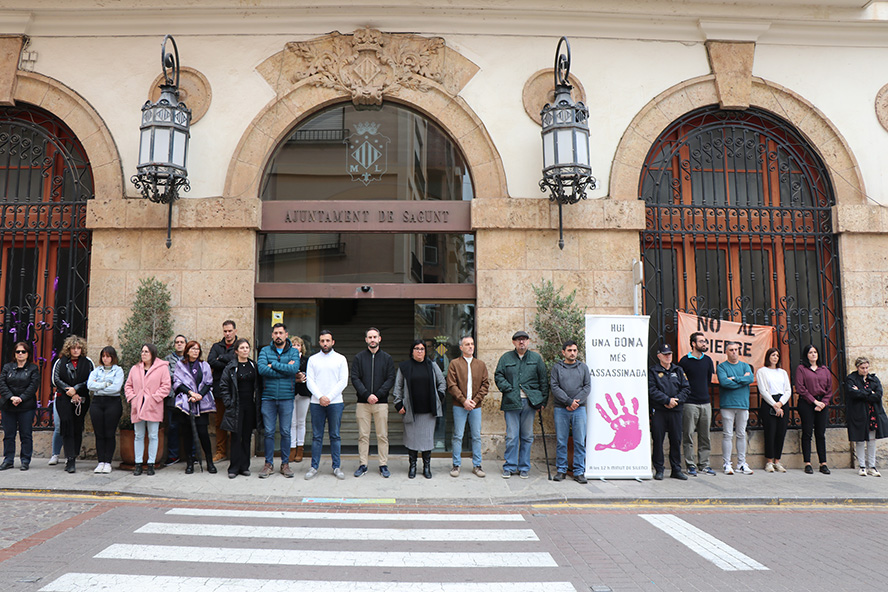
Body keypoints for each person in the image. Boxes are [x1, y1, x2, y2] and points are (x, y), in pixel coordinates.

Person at [495, 330, 547, 479]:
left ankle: (524, 467)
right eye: (518, 340)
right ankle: (510, 466)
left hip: (530, 403)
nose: (521, 342)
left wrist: (542, 401)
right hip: (511, 402)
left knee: (527, 436)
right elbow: (498, 375)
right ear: (514, 342)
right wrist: (508, 389)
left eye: (524, 339)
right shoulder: (506, 358)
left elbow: (543, 380)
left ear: (528, 342)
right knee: (511, 436)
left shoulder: (536, 359)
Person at [393, 339, 445, 479]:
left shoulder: (432, 365)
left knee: (427, 440)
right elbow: (398, 387)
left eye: (422, 349)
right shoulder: (404, 367)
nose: (420, 351)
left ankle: (426, 467)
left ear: (425, 351)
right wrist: (398, 404)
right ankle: (413, 466)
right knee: (412, 440)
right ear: (412, 351)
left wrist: (438, 398)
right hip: (411, 410)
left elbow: (442, 383)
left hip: (428, 411)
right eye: (417, 348)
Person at [350, 327, 396, 478]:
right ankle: (363, 464)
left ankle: (383, 464)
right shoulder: (359, 358)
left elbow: (390, 379)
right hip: (363, 403)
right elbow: (355, 378)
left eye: (375, 337)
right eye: (370, 337)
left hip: (381, 403)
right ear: (366, 340)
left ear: (379, 339)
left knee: (382, 435)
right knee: (363, 435)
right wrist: (366, 394)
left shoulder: (387, 358)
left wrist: (377, 395)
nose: (372, 340)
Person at [257, 323, 300, 478]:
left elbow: (293, 370)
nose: (278, 336)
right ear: (272, 335)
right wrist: (284, 369)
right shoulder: (264, 350)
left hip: (286, 398)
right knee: (268, 432)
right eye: (275, 333)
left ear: (286, 334)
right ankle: (268, 464)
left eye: (281, 333)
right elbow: (262, 369)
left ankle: (285, 464)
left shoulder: (294, 352)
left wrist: (274, 365)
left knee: (286, 432)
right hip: (268, 397)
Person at [305, 330, 348, 480]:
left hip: (335, 402)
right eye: (322, 341)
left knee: (335, 435)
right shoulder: (313, 359)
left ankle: (336, 467)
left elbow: (343, 381)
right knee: (317, 436)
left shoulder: (341, 359)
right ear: (319, 342)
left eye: (327, 340)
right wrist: (320, 397)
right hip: (316, 403)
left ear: (333, 342)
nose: (325, 343)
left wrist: (328, 397)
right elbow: (310, 381)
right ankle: (314, 467)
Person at [446, 335, 489, 478]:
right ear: (461, 348)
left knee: (476, 436)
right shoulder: (454, 364)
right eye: (467, 344)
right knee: (458, 435)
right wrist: (464, 400)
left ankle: (477, 465)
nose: (470, 346)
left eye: (472, 344)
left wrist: (474, 401)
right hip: (459, 405)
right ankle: (456, 465)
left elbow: (485, 385)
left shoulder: (481, 364)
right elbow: (451, 385)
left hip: (476, 406)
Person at [125, 343, 171, 476]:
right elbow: (128, 385)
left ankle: (151, 464)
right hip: (138, 405)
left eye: (146, 352)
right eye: (142, 351)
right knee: (138, 435)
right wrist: (133, 398)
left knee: (153, 435)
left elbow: (166, 386)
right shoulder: (135, 369)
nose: (143, 354)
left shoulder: (162, 369)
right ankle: (138, 463)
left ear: (152, 354)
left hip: (153, 406)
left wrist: (154, 398)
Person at [219, 338, 261, 479]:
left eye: (247, 348)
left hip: (250, 406)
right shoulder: (231, 367)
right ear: (236, 351)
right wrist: (228, 402)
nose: (245, 350)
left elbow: (258, 385)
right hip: (235, 407)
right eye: (242, 348)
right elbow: (223, 385)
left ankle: (245, 466)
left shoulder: (253, 365)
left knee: (247, 437)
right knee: (236, 437)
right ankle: (234, 468)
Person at [52, 335, 94, 473]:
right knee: (66, 425)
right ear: (68, 349)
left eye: (78, 348)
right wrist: (68, 390)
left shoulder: (88, 362)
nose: (76, 350)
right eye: (73, 348)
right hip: (63, 398)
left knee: (77, 427)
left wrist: (76, 389)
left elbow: (91, 379)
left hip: (81, 398)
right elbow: (56, 379)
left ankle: (74, 455)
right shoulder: (60, 362)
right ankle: (69, 458)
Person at [550, 340, 591, 484]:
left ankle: (579, 471)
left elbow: (587, 387)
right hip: (561, 409)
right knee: (561, 441)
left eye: (574, 350)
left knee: (580, 441)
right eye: (569, 350)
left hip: (579, 409)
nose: (572, 353)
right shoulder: (557, 368)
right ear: (563, 352)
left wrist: (575, 403)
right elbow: (554, 387)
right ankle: (561, 470)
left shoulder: (583, 368)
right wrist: (568, 402)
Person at [173, 340, 216, 474]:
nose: (195, 351)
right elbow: (177, 382)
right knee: (187, 434)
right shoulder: (181, 365)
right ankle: (190, 463)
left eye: (197, 349)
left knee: (203, 433)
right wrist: (190, 393)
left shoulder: (205, 365)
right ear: (187, 351)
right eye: (192, 349)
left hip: (201, 403)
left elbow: (209, 383)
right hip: (186, 403)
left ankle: (209, 462)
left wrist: (199, 395)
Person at [648, 343, 689, 481]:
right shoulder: (653, 371)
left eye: (669, 354)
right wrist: (666, 400)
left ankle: (676, 469)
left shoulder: (678, 370)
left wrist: (675, 401)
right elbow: (651, 390)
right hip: (660, 410)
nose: (668, 357)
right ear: (659, 356)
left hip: (676, 410)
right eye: (665, 354)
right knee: (658, 440)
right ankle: (659, 469)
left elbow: (686, 388)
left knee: (676, 439)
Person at [677, 331, 716, 476]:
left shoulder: (708, 361)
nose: (704, 344)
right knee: (688, 435)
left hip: (705, 403)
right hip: (690, 403)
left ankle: (704, 464)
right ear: (693, 344)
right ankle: (690, 465)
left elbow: (707, 380)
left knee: (705, 436)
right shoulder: (684, 361)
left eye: (705, 341)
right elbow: (681, 382)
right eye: (701, 341)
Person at [0, 341, 40, 471]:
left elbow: (33, 386)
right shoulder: (7, 367)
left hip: (26, 406)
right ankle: (8, 459)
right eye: (18, 352)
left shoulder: (33, 368)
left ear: (28, 354)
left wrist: (21, 398)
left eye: (23, 352)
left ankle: (25, 460)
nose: (21, 354)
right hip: (8, 405)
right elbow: (2, 384)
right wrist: (11, 397)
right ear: (14, 354)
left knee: (26, 434)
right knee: (9, 434)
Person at [717, 342, 754, 475]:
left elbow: (750, 378)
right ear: (726, 352)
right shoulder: (721, 367)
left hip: (743, 404)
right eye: (731, 350)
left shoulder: (745, 366)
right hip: (727, 404)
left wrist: (734, 379)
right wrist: (741, 381)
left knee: (741, 434)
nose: (734, 352)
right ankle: (727, 463)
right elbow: (724, 382)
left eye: (736, 350)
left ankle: (741, 463)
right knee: (727, 434)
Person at [846, 356, 887, 477]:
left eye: (867, 367)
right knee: (859, 440)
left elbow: (878, 395)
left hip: (872, 413)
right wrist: (870, 392)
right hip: (858, 413)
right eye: (862, 368)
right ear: (857, 367)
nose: (865, 370)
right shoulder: (851, 379)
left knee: (872, 440)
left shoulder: (873, 379)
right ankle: (862, 466)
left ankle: (872, 466)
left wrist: (863, 392)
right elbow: (852, 393)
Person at [795, 344, 832, 474]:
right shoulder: (801, 369)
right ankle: (808, 462)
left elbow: (829, 389)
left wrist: (823, 403)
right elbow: (800, 388)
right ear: (806, 355)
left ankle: (823, 463)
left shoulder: (824, 369)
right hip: (807, 403)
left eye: (815, 352)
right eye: (810, 352)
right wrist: (814, 401)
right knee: (807, 432)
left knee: (820, 433)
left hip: (822, 404)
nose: (813, 354)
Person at [86, 346, 124, 473]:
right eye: (103, 356)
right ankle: (100, 461)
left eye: (108, 356)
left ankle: (108, 462)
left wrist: (99, 386)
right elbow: (90, 385)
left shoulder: (118, 371)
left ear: (113, 357)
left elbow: (116, 388)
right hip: (97, 402)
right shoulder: (97, 371)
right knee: (99, 433)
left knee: (109, 433)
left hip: (112, 402)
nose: (105, 359)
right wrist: (106, 384)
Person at [756, 347, 792, 473]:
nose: (775, 357)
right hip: (769, 402)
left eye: (777, 355)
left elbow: (788, 390)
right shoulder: (762, 371)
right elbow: (763, 390)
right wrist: (774, 405)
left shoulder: (782, 372)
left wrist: (781, 403)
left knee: (781, 432)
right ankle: (769, 461)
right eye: (773, 355)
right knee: (770, 432)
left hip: (782, 401)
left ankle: (778, 460)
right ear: (768, 357)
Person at [208, 320, 239, 463]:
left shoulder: (239, 346)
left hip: (235, 389)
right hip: (219, 389)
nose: (227, 334)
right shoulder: (216, 346)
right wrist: (226, 360)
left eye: (230, 331)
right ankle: (221, 451)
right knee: (219, 421)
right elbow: (211, 361)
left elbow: (236, 360)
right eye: (225, 331)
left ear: (235, 331)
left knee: (235, 420)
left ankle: (235, 452)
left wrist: (221, 358)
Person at [163, 334, 187, 465]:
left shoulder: (190, 358)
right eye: (177, 342)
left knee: (189, 426)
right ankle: (173, 456)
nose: (179, 344)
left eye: (182, 342)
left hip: (188, 398)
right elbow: (168, 376)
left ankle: (192, 455)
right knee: (172, 427)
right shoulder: (167, 359)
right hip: (173, 397)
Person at [288, 336, 312, 464]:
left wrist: (304, 377)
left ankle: (300, 448)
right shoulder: (287, 360)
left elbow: (312, 375)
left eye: (298, 345)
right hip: (290, 393)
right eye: (293, 345)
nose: (296, 347)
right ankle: (292, 448)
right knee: (292, 422)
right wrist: (295, 378)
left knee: (301, 421)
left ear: (301, 347)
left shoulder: (307, 361)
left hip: (304, 393)